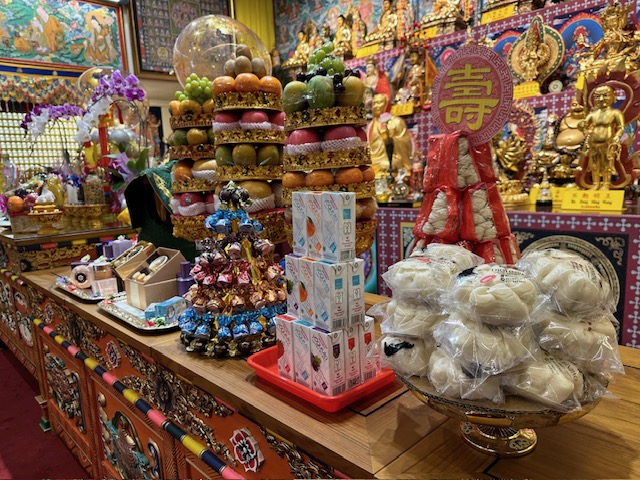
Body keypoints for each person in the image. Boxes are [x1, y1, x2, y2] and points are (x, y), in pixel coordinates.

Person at [582, 85, 625, 190]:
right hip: (593, 143)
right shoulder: (592, 114)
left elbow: (621, 127)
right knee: (594, 164)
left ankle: (606, 183)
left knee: (607, 164)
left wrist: (617, 136)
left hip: (608, 143)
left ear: (613, 96)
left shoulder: (615, 113)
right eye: (597, 96)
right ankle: (596, 183)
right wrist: (583, 127)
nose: (601, 99)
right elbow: (584, 125)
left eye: (605, 95)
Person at [367, 93, 414, 177]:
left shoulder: (397, 121)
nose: (376, 106)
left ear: (386, 105)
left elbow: (406, 142)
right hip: (375, 159)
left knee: (389, 165)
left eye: (379, 102)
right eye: (374, 103)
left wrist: (390, 139)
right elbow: (369, 147)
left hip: (392, 158)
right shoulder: (371, 125)